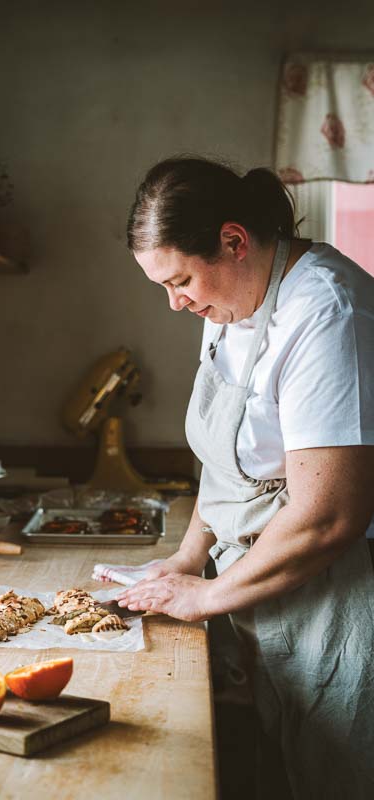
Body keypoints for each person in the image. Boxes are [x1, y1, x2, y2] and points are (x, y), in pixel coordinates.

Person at [117, 156, 374, 799]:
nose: (176, 303)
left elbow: (329, 514)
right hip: (260, 587)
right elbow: (226, 461)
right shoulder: (229, 303)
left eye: (180, 280)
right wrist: (189, 555)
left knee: (336, 775)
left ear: (233, 241)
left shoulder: (327, 311)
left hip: (337, 596)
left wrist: (206, 596)